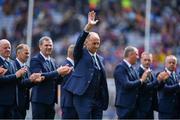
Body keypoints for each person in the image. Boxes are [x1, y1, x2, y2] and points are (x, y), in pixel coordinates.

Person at [64, 11, 109, 119]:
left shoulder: (100, 59)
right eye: (94, 43)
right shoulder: (80, 54)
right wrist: (88, 27)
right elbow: (79, 42)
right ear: (86, 42)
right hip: (83, 98)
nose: (96, 46)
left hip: (97, 100)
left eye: (98, 43)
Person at [30, 36, 72, 119]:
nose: (49, 47)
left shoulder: (53, 61)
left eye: (50, 45)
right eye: (46, 45)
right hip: (39, 101)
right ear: (40, 46)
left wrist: (62, 75)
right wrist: (57, 72)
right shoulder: (35, 60)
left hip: (51, 101)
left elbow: (56, 80)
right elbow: (39, 77)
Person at [113, 46, 150, 119]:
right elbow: (126, 85)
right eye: (136, 54)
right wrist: (141, 80)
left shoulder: (133, 68)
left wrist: (146, 79)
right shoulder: (120, 67)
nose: (138, 57)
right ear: (130, 55)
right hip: (125, 106)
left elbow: (139, 85)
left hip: (135, 106)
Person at [12, 44, 44, 119]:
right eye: (26, 53)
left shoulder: (27, 68)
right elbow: (18, 84)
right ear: (18, 53)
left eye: (29, 53)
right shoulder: (12, 65)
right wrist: (31, 79)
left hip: (24, 104)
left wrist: (35, 81)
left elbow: (27, 85)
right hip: (15, 104)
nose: (28, 55)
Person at [0, 39, 27, 119]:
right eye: (5, 48)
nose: (8, 50)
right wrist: (16, 75)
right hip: (1, 103)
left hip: (13, 104)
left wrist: (32, 80)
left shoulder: (13, 63)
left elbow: (18, 81)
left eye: (9, 48)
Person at [137, 52, 164, 118]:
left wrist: (162, 80)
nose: (147, 62)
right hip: (141, 108)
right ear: (141, 60)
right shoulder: (137, 72)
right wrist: (158, 80)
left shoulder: (152, 72)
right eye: (145, 60)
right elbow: (145, 88)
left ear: (152, 60)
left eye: (149, 60)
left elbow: (155, 87)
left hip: (150, 107)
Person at [61, 44, 78, 119]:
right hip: (69, 103)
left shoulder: (73, 65)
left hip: (73, 103)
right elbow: (70, 84)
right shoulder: (66, 66)